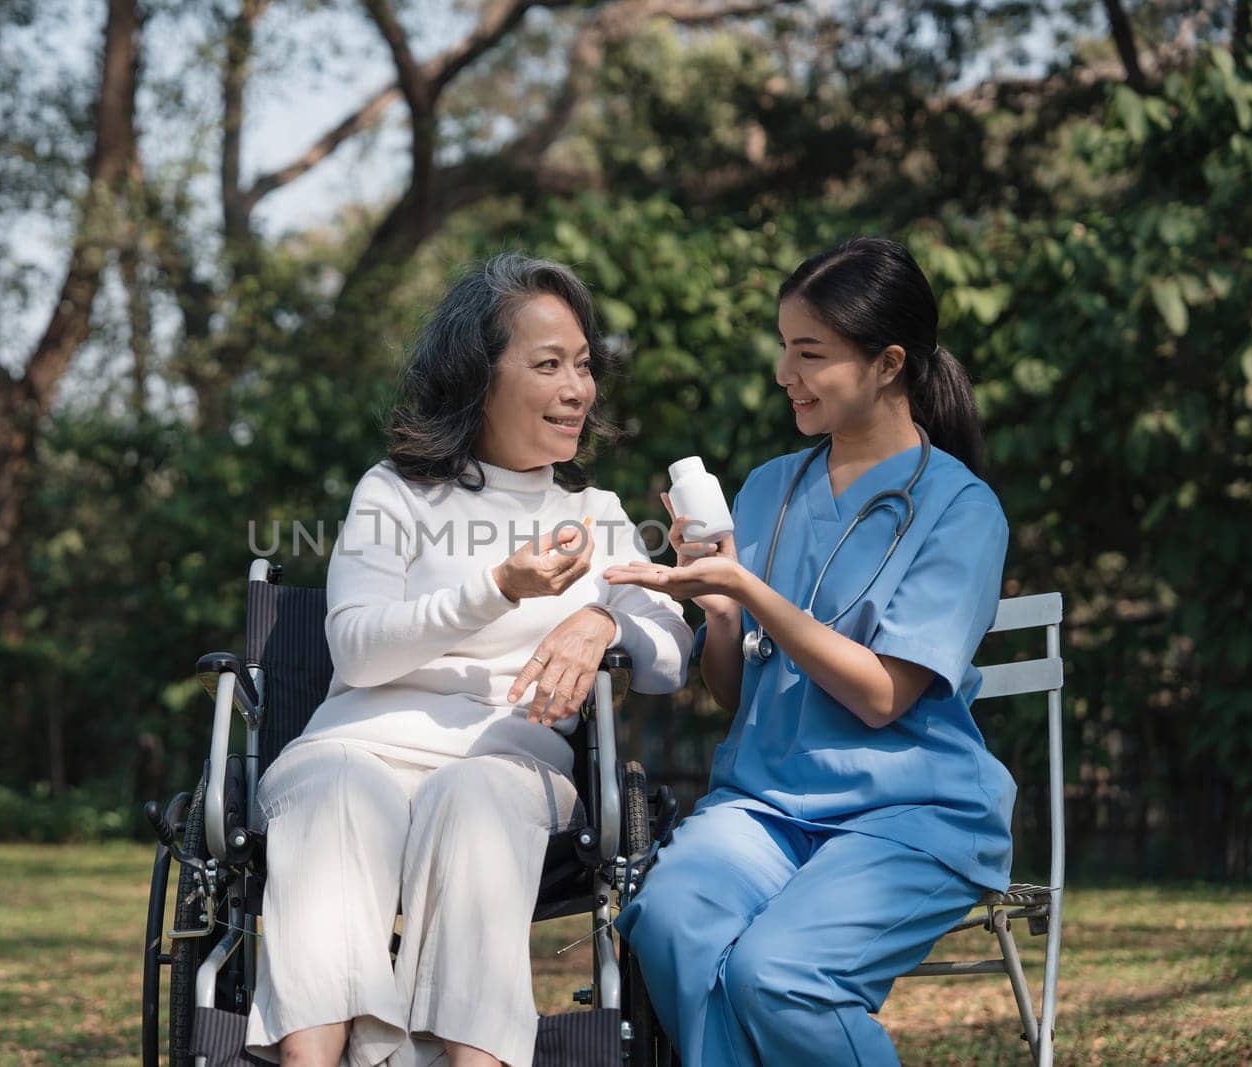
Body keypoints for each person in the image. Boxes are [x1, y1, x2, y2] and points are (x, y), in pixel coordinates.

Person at [248, 252, 693, 1067]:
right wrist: (498, 586)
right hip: (355, 745)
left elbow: (670, 654)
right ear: (477, 378)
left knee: (476, 794)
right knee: (336, 788)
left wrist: (603, 622)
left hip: (508, 767)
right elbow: (357, 643)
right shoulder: (395, 493)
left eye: (584, 366)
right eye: (548, 364)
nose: (577, 389)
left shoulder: (596, 513)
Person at [606, 236, 1014, 1066]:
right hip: (765, 806)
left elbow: (882, 696)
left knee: (780, 974)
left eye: (810, 352)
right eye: (783, 347)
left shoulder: (961, 510)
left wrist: (754, 592)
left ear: (889, 363)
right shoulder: (767, 489)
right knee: (669, 916)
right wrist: (721, 612)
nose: (785, 373)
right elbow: (735, 691)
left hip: (910, 814)